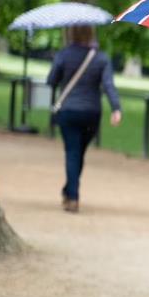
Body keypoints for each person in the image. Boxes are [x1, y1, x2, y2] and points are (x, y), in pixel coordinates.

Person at [46, 25, 122, 213]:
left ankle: (72, 196)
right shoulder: (101, 58)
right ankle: (69, 191)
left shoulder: (64, 54)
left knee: (73, 152)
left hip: (69, 111)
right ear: (91, 33)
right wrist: (116, 108)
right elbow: (108, 85)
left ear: (72, 33)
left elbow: (51, 80)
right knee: (78, 153)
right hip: (91, 113)